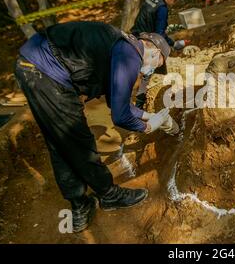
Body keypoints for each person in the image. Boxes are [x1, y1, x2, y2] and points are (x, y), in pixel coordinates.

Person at [14, 21, 175, 233]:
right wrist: (147, 127)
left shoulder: (122, 47)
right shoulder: (130, 54)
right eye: (159, 62)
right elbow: (120, 116)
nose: (152, 70)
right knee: (77, 139)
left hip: (34, 68)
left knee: (61, 141)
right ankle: (109, 195)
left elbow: (117, 102)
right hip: (45, 72)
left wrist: (149, 115)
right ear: (153, 49)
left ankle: (80, 204)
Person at [131, 0, 190, 109]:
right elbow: (159, 34)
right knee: (147, 74)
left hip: (134, 35)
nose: (176, 1)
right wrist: (173, 43)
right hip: (146, 40)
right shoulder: (162, 8)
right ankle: (139, 107)